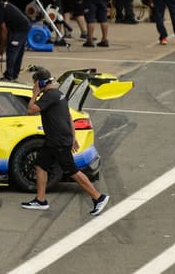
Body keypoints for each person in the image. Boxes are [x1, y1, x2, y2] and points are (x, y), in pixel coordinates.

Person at [21, 67, 109, 216]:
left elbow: (30, 110)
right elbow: (68, 117)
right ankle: (40, 200)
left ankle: (98, 197)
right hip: (55, 139)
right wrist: (73, 137)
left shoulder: (48, 96)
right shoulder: (59, 94)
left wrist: (35, 93)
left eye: (35, 83)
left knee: (73, 171)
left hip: (58, 141)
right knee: (40, 166)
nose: (33, 86)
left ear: (41, 83)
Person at [0, 0, 31, 82]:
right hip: (22, 27)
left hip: (20, 29)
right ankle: (13, 74)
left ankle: (9, 76)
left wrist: (2, 47)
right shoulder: (0, 7)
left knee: (12, 51)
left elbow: (4, 31)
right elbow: (1, 28)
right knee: (18, 52)